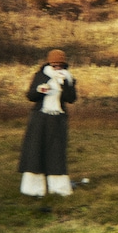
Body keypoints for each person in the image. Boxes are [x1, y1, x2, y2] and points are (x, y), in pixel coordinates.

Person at [18, 48, 78, 198]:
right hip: (40, 119)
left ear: (64, 65)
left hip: (57, 120)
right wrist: (40, 90)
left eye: (60, 65)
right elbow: (30, 96)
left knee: (56, 153)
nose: (57, 68)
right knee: (35, 151)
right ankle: (33, 189)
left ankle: (58, 190)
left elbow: (71, 99)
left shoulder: (68, 78)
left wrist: (64, 84)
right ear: (49, 63)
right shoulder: (40, 76)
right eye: (54, 65)